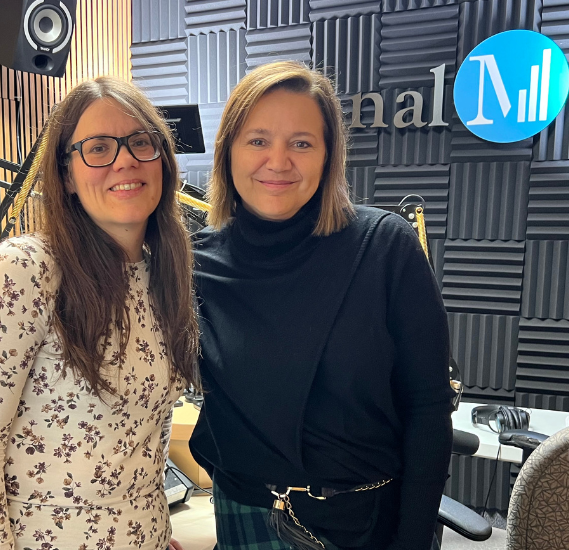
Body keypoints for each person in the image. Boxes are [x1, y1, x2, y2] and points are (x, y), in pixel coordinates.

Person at [191, 61, 454, 550]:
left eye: (301, 143)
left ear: (329, 155)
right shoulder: (198, 260)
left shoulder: (385, 248)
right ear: (228, 150)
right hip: (241, 512)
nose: (278, 160)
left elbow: (428, 408)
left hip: (360, 523)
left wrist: (414, 539)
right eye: (257, 140)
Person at [0, 76, 198, 550]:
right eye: (98, 148)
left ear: (164, 161)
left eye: (141, 142)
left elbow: (147, 432)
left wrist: (152, 527)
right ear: (67, 176)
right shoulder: (20, 273)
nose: (125, 160)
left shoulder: (163, 277)